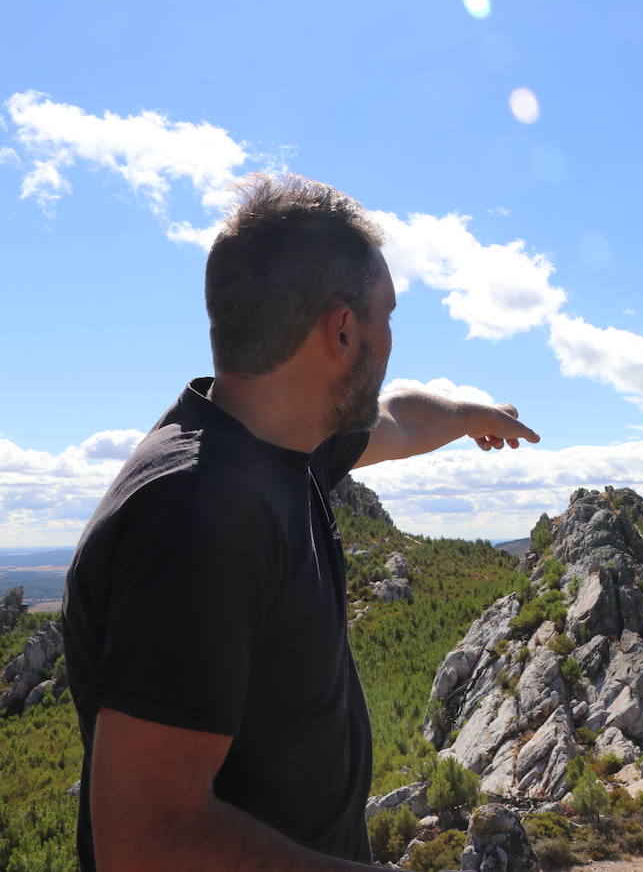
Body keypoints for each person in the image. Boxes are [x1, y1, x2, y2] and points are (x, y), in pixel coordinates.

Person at [61, 174, 539, 871]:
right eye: (388, 317)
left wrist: (469, 415)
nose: (391, 339)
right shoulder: (196, 519)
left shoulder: (281, 447)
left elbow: (398, 416)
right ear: (343, 331)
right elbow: (144, 839)